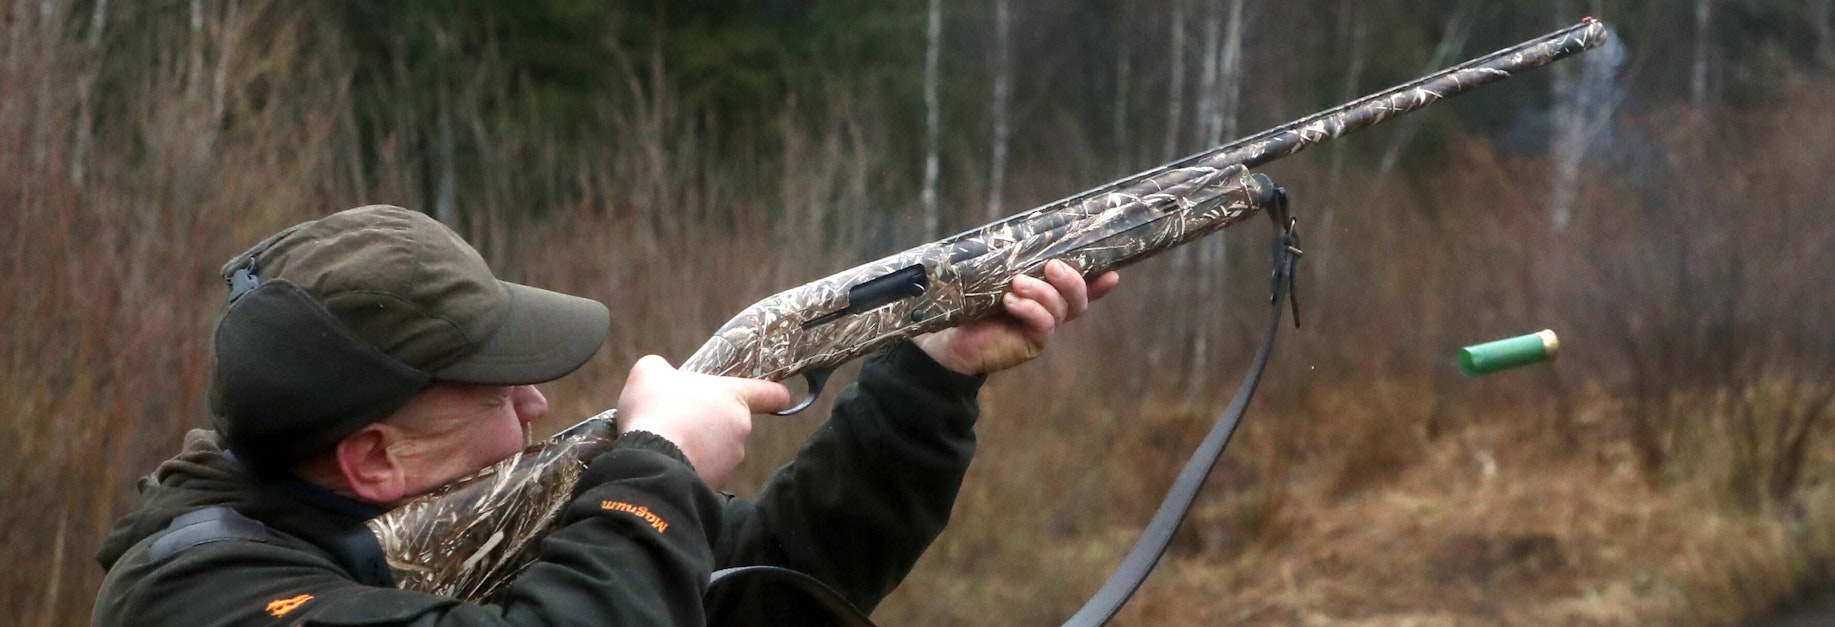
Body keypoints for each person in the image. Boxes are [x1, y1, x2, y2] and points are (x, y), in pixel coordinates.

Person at [92, 205, 1117, 626]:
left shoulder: (461, 531)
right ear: (373, 459)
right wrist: (655, 468)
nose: (538, 407)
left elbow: (770, 591)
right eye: (497, 394)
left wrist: (929, 378)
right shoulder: (201, 599)